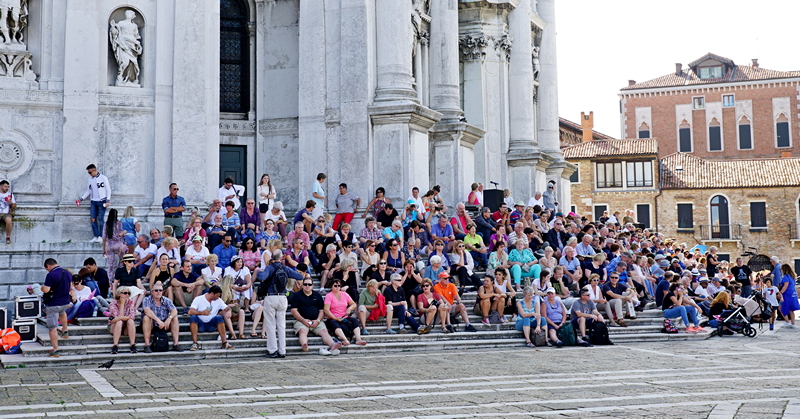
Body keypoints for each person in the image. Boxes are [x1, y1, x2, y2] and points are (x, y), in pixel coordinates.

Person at [258, 250, 303, 358]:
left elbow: (262, 277)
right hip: (282, 297)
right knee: (281, 325)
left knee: (270, 325)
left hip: (271, 296)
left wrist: (259, 271)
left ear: (272, 258)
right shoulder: (285, 268)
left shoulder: (269, 268)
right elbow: (300, 277)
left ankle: (272, 350)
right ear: (281, 258)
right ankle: (282, 351)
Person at [290, 278, 343, 355]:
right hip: (301, 320)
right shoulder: (296, 295)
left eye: (309, 284)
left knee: (325, 332)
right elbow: (293, 310)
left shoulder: (317, 295)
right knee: (302, 331)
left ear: (312, 285)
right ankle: (304, 344)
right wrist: (303, 320)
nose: (307, 286)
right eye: (305, 284)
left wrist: (318, 320)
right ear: (302, 285)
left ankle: (332, 344)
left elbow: (321, 310)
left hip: (316, 320)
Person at [188, 285, 234, 351]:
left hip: (211, 325)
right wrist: (201, 312)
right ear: (211, 293)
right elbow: (190, 312)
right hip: (200, 324)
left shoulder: (219, 300)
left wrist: (229, 311)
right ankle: (195, 343)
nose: (218, 298)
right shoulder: (198, 299)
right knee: (193, 317)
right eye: (217, 296)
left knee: (219, 317)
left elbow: (227, 308)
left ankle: (224, 342)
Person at [41, 258, 72, 357]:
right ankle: (65, 331)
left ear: (48, 266)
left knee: (52, 328)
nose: (47, 270)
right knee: (62, 313)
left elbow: (46, 290)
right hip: (65, 302)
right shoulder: (67, 273)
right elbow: (70, 287)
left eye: (47, 268)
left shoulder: (51, 275)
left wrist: (42, 288)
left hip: (53, 304)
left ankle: (55, 350)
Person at [324, 278, 368, 346]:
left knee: (354, 321)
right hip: (333, 317)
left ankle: (358, 339)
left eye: (339, 286)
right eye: (335, 286)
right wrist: (335, 318)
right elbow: (326, 310)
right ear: (331, 287)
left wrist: (349, 309)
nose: (337, 287)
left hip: (344, 316)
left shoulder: (344, 294)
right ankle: (345, 340)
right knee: (334, 323)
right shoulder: (329, 296)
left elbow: (354, 304)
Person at [141, 281, 182, 352]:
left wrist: (169, 318)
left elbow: (174, 310)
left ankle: (176, 344)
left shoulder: (166, 300)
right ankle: (147, 345)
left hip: (165, 324)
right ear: (152, 292)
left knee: (174, 317)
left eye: (160, 290)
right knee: (146, 317)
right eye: (156, 290)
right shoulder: (147, 299)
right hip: (152, 324)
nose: (158, 292)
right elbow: (146, 311)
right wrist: (158, 321)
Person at [76, 164, 111, 242]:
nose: (89, 174)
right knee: (92, 219)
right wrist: (81, 199)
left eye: (90, 172)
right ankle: (95, 236)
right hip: (93, 202)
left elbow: (108, 189)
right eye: (88, 172)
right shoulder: (90, 179)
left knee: (100, 219)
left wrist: (108, 200)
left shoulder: (103, 178)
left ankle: (101, 237)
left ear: (94, 170)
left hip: (102, 201)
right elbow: (88, 191)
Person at [108, 286, 137, 354]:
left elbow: (132, 316)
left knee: (131, 321)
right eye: (125, 293)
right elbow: (117, 318)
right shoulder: (113, 303)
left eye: (129, 293)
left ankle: (132, 344)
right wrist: (122, 304)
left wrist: (119, 318)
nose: (127, 295)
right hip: (114, 326)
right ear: (119, 294)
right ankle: (115, 345)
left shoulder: (130, 302)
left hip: (126, 326)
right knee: (119, 322)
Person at [102, 208, 128, 281]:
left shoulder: (106, 224)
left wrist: (103, 249)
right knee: (121, 261)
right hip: (117, 244)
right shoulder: (119, 223)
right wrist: (124, 232)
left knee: (110, 263)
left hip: (109, 245)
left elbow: (104, 238)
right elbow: (120, 233)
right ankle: (118, 276)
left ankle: (109, 279)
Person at [778, 264, 800, 328]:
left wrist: (780, 292)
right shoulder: (792, 277)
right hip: (793, 293)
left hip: (787, 294)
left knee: (780, 307)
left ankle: (787, 321)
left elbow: (785, 285)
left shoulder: (785, 277)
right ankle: (793, 323)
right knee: (791, 309)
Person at [0, 179, 16, 244]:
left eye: (8, 187)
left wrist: (11, 203)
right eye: (5, 186)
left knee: (9, 220)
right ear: (1, 186)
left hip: (6, 214)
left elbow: (14, 206)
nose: (7, 188)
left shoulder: (10, 195)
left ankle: (8, 237)